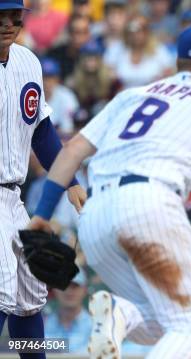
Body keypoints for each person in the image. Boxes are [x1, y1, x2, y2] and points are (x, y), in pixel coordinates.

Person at [28, 24, 191, 358]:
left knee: (160, 322)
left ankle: (118, 314)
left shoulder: (133, 95)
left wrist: (42, 214)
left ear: (178, 62)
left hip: (94, 214)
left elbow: (73, 149)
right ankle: (118, 314)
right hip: (151, 204)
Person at [0, 2, 86, 359]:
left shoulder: (28, 62)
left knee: (28, 295)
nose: (7, 23)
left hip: (11, 198)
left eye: (13, 15)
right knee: (3, 287)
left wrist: (71, 181)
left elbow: (41, 132)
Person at [44, 271, 92, 354]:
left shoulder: (97, 327)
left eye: (75, 286)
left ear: (84, 290)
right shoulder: (41, 325)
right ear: (55, 290)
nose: (69, 291)